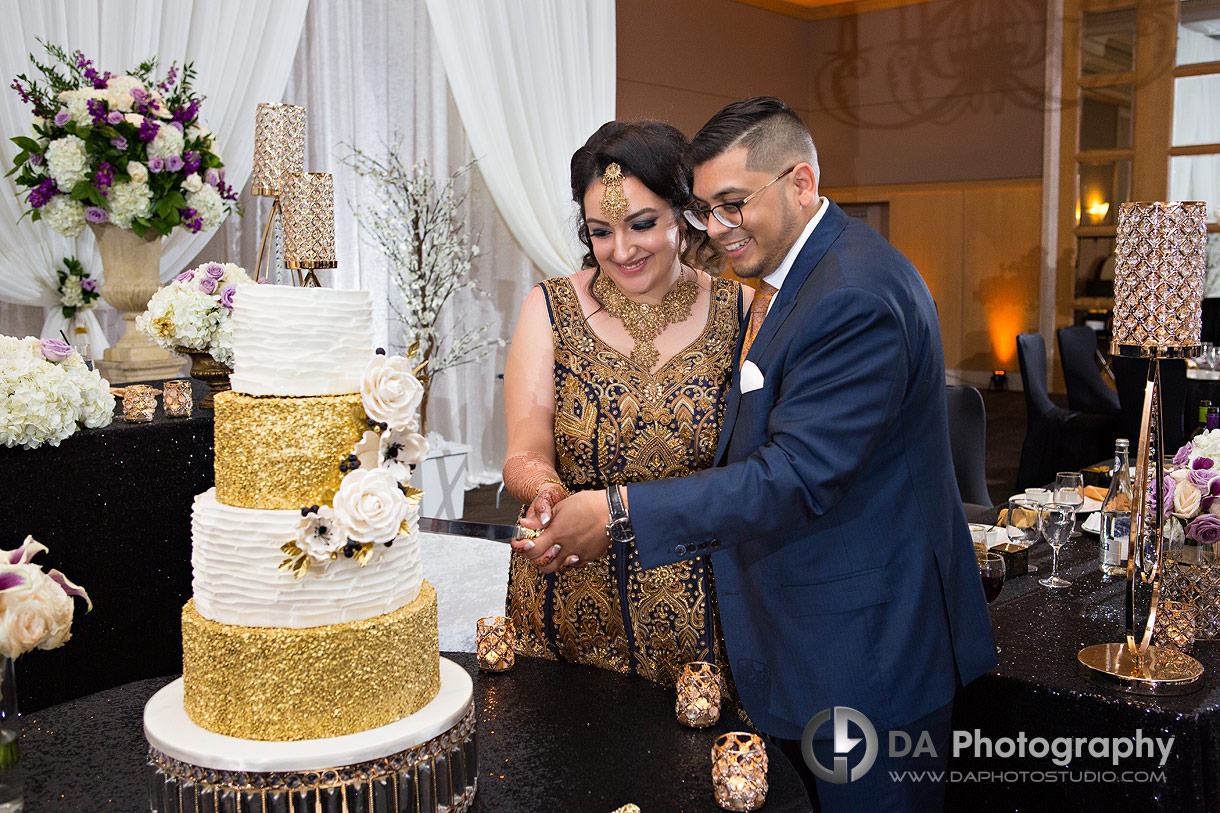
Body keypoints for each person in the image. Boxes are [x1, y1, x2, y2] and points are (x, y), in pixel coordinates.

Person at [515, 98, 997, 811]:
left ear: (801, 183)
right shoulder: (801, 279)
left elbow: (792, 475)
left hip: (867, 652)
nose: (719, 226)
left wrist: (616, 512)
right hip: (798, 638)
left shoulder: (849, 292)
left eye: (734, 203)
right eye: (708, 207)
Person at [500, 120, 751, 690]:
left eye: (643, 224)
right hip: (570, 589)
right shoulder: (549, 306)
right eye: (600, 231)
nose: (622, 249)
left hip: (701, 607)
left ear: (685, 216)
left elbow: (757, 472)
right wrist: (547, 493)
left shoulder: (744, 310)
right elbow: (525, 444)